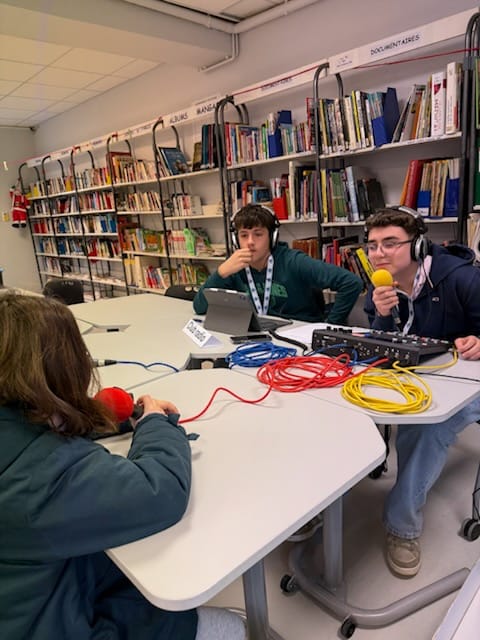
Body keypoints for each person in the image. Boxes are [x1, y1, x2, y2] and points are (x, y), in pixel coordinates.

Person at [0, 292, 246, 640]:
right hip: (49, 624)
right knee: (231, 628)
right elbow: (160, 489)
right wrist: (155, 423)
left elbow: (35, 426)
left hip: (30, 589)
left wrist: (94, 415)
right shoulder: (43, 478)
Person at [364, 207, 480, 578]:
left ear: (417, 246)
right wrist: (382, 315)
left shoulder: (462, 278)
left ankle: (402, 527)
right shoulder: (380, 287)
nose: (379, 253)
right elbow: (381, 344)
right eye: (372, 245)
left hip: (468, 379)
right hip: (414, 376)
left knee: (426, 426)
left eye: (390, 243)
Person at [193, 204, 363, 324]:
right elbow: (199, 307)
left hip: (299, 335)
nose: (250, 242)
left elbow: (351, 282)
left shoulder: (294, 261)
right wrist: (220, 273)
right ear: (235, 240)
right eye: (244, 235)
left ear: (272, 237)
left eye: (258, 234)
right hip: (259, 336)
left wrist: (330, 326)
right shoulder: (234, 266)